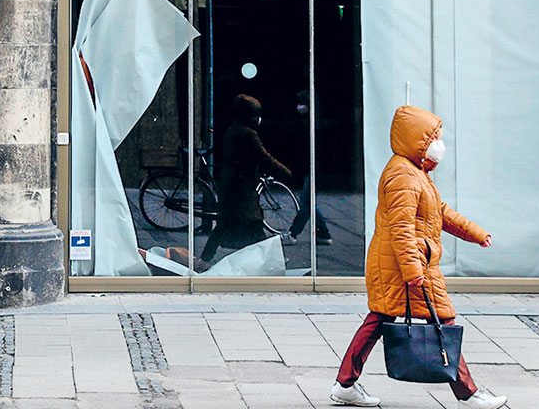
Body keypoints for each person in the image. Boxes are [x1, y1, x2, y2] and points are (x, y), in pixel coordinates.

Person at [329, 106, 506, 409]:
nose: (440, 144)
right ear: (417, 141)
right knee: (444, 323)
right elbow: (402, 230)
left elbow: (439, 212)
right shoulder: (403, 176)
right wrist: (413, 272)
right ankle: (468, 393)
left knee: (380, 319)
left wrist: (475, 233)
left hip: (404, 265)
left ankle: (345, 383)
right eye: (434, 138)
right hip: (407, 267)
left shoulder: (415, 172)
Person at [200, 94, 291, 262]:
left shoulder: (233, 129)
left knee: (231, 223)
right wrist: (285, 172)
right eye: (255, 114)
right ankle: (273, 259)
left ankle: (205, 259)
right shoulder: (248, 134)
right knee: (252, 223)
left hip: (232, 185)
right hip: (241, 189)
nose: (258, 119)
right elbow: (264, 157)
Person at [279, 90, 333, 245]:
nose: (299, 106)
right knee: (308, 202)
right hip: (312, 168)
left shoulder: (311, 124)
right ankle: (323, 233)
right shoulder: (310, 121)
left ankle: (293, 233)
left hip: (313, 168)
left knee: (306, 202)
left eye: (302, 103)